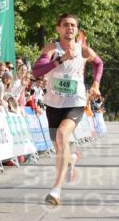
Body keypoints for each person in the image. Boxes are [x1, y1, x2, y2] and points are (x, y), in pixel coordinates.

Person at [31, 13, 104, 206]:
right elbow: (36, 71)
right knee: (59, 148)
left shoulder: (84, 50)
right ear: (58, 29)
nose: (69, 28)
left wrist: (96, 84)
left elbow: (99, 63)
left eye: (73, 25)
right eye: (65, 25)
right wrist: (60, 59)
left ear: (77, 30)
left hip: (76, 102)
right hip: (53, 104)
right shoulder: (51, 49)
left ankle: (56, 190)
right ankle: (71, 159)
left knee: (63, 135)